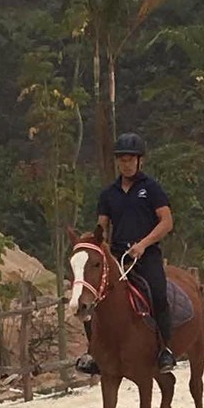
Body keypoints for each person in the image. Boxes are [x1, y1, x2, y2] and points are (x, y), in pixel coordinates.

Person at [76, 133, 176, 375]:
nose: (126, 164)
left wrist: (143, 244)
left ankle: (165, 350)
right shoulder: (108, 194)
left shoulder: (151, 189)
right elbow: (102, 226)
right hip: (118, 255)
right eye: (122, 160)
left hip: (146, 254)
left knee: (158, 294)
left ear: (140, 161)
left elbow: (167, 222)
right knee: (92, 296)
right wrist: (92, 242)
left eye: (130, 160)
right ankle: (94, 352)